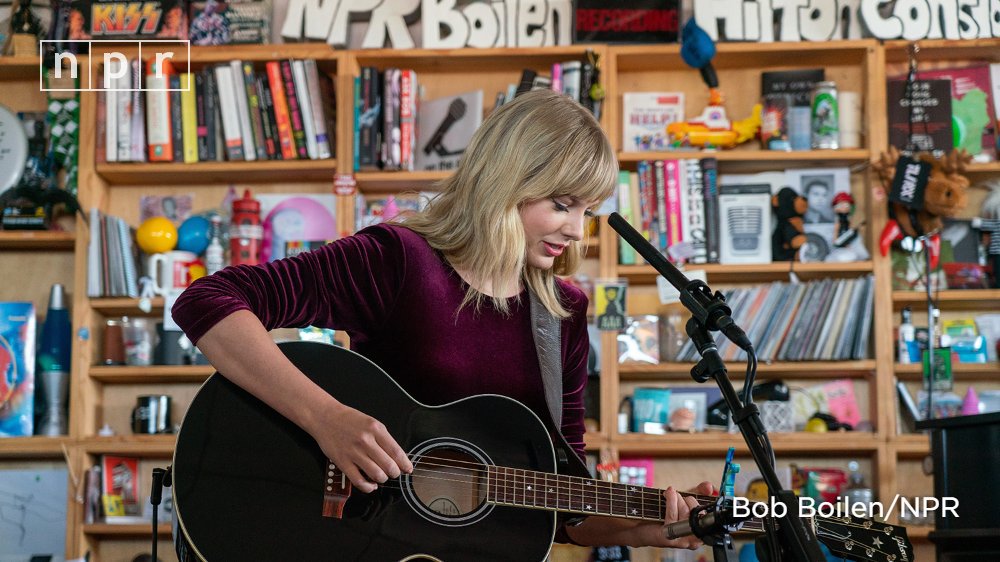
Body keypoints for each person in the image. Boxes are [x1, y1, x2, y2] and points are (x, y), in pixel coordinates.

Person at [171, 89, 714, 551]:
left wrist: (644, 530)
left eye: (588, 212)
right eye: (563, 204)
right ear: (508, 181)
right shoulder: (398, 259)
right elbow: (210, 300)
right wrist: (326, 419)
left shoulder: (562, 312)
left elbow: (561, 499)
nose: (577, 231)